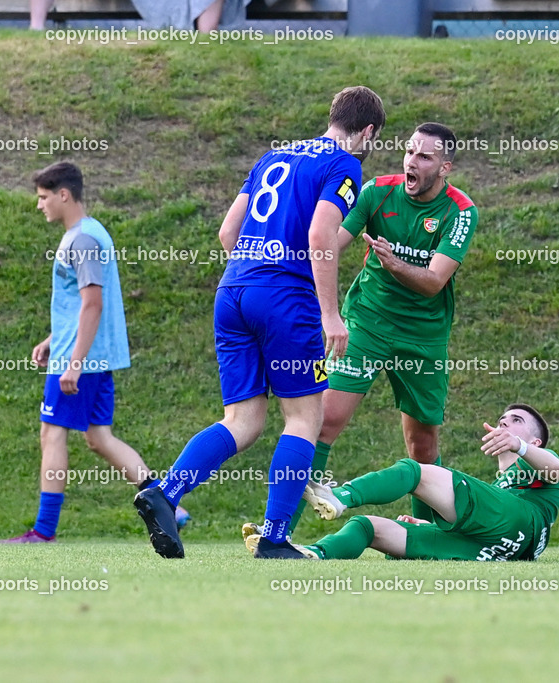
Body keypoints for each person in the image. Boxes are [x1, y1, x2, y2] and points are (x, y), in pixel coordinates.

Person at [134, 86, 386, 559]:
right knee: (305, 418)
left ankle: (166, 492)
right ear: (367, 131)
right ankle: (273, 538)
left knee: (243, 420)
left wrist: (254, 276)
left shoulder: (275, 156)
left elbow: (228, 231)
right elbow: (320, 234)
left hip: (233, 290)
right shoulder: (344, 164)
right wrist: (329, 313)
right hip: (285, 301)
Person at [288, 122, 478, 533]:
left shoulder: (461, 211)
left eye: (425, 156)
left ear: (446, 167)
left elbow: (433, 282)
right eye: (410, 151)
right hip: (367, 322)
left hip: (424, 337)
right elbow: (329, 244)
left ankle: (427, 534)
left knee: (422, 446)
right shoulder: (376, 191)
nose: (412, 161)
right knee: (326, 418)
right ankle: (281, 527)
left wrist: (392, 262)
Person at [0, 162, 188, 543]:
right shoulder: (90, 233)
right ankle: (169, 503)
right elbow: (79, 303)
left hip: (81, 359)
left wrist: (73, 363)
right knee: (99, 437)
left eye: (43, 197)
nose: (40, 206)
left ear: (63, 194)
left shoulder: (82, 240)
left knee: (52, 434)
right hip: (89, 354)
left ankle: (43, 531)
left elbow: (92, 304)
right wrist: (54, 338)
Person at [246, 404, 559, 561]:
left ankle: (340, 495)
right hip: (494, 549)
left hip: (523, 524)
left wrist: (520, 448)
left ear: (535, 442)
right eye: (502, 421)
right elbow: (494, 519)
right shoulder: (499, 490)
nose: (504, 423)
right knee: (368, 528)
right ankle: (312, 554)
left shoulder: (533, 466)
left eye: (516, 422)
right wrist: (432, 527)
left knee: (414, 471)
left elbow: (557, 470)